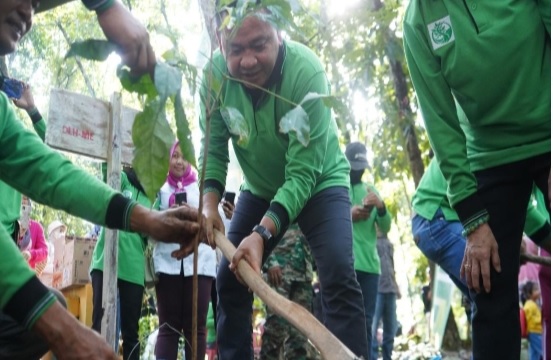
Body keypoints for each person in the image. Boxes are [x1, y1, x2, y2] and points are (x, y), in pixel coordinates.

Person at [0, 1, 200, 359]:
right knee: (54, 316)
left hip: (132, 271)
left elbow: (48, 171)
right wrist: (59, 327)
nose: (30, 13)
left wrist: (147, 219)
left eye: (36, 2)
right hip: (93, 264)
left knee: (46, 311)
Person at [198, 3, 369, 359]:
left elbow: (302, 173)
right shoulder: (213, 78)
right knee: (230, 278)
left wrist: (261, 235)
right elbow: (213, 151)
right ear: (219, 40)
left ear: (279, 31)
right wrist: (209, 205)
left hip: (319, 182)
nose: (247, 61)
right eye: (235, 50)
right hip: (260, 188)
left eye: (259, 45)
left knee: (337, 271)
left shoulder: (306, 73)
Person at [154, 141, 216, 360]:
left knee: (196, 327)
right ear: (168, 159)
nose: (179, 161)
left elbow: (214, 223)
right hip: (168, 262)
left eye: (183, 156)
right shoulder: (158, 189)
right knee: (168, 327)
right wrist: (165, 216)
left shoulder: (202, 189)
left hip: (200, 264)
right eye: (175, 156)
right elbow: (149, 224)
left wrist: (195, 215)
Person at [90, 166, 151, 360]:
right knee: (100, 325)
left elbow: (150, 231)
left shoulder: (153, 196)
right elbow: (109, 169)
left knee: (130, 332)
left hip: (133, 269)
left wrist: (132, 220)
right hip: (105, 262)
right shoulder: (123, 179)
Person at [345, 141, 391, 360]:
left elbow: (385, 227)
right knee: (345, 320)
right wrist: (348, 213)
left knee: (367, 323)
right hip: (346, 265)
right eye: (355, 167)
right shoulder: (338, 188)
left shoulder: (371, 190)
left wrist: (381, 207)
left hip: (370, 268)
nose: (359, 171)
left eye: (362, 167)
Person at [259, 224, 320, 360]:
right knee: (276, 329)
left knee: (300, 335)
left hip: (304, 273)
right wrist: (270, 261)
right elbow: (262, 228)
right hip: (279, 271)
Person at [371, 229, 400, 360]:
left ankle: (387, 357)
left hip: (391, 289)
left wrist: (396, 286)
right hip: (377, 289)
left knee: (391, 328)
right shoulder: (371, 242)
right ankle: (373, 357)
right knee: (373, 327)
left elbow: (392, 266)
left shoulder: (389, 244)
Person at [17, 196, 48, 273]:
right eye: (20, 203)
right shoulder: (7, 224)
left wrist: (30, 254)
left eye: (25, 204)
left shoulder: (36, 227)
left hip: (26, 275)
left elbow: (44, 251)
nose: (23, 207)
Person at [521, 281, 543, 360]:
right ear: (529, 294)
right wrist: (542, 320)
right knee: (543, 350)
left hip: (535, 332)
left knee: (534, 353)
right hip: (535, 332)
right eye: (536, 289)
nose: (539, 291)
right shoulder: (529, 305)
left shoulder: (533, 304)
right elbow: (530, 319)